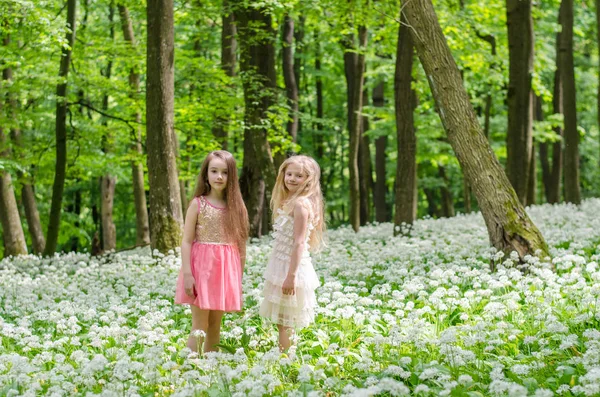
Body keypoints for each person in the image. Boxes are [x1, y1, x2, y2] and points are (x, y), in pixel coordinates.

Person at [175, 150, 248, 353]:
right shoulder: (197, 204)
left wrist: (237, 279)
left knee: (216, 326)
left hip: (224, 274)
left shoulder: (237, 208)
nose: (219, 177)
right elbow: (187, 241)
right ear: (206, 174)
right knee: (200, 326)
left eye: (224, 172)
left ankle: (211, 371)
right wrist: (188, 274)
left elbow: (241, 247)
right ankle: (190, 370)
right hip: (201, 271)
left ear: (231, 176)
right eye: (214, 171)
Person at [259, 155, 325, 351]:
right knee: (283, 321)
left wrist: (291, 276)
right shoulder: (290, 201)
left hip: (292, 268)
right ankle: (285, 358)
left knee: (286, 322)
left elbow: (298, 243)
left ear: (309, 180)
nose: (292, 179)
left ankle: (287, 361)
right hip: (282, 265)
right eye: (289, 174)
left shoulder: (300, 205)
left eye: (299, 176)